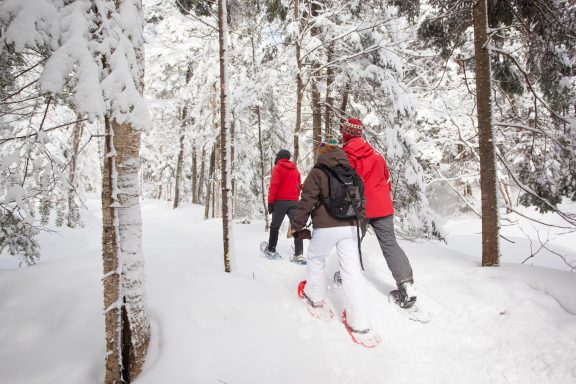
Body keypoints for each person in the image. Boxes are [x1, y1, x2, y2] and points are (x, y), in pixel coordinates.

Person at [291, 140, 380, 347]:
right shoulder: (351, 172)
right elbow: (361, 201)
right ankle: (360, 323)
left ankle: (315, 298)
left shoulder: (318, 171)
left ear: (322, 153)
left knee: (316, 258)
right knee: (352, 271)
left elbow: (307, 201)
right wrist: (359, 223)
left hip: (325, 226)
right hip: (350, 227)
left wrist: (297, 225)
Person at [341, 117, 417, 308]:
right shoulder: (376, 155)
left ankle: (349, 276)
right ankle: (406, 285)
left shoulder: (345, 155)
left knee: (352, 241)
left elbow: (344, 184)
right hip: (383, 206)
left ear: (346, 134)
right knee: (390, 244)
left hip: (360, 207)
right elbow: (387, 181)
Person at [264, 149, 304, 263]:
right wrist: (295, 198)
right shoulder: (295, 170)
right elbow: (298, 186)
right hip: (294, 202)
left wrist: (270, 202)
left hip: (280, 202)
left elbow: (274, 185)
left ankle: (271, 250)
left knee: (275, 226)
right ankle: (299, 254)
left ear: (279, 157)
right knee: (296, 227)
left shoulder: (277, 168)